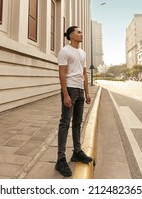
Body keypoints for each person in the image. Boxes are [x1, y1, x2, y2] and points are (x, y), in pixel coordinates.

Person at [55, 26, 92, 177]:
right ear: (72, 35)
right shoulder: (64, 51)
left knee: (77, 123)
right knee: (65, 123)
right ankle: (60, 159)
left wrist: (87, 92)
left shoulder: (82, 53)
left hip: (80, 90)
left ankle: (77, 152)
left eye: (81, 32)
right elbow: (62, 74)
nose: (81, 34)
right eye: (78, 32)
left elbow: (84, 73)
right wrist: (66, 95)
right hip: (69, 89)